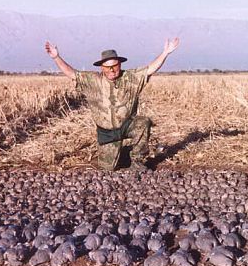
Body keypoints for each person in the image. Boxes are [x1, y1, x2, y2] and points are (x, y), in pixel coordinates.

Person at [45, 38, 179, 171]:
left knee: (143, 123)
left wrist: (165, 53)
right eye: (107, 67)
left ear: (120, 65)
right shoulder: (92, 81)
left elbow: (150, 69)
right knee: (107, 169)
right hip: (107, 133)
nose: (112, 70)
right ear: (102, 68)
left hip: (127, 125)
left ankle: (137, 161)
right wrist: (56, 57)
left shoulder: (130, 78)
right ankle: (124, 153)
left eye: (115, 66)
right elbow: (72, 73)